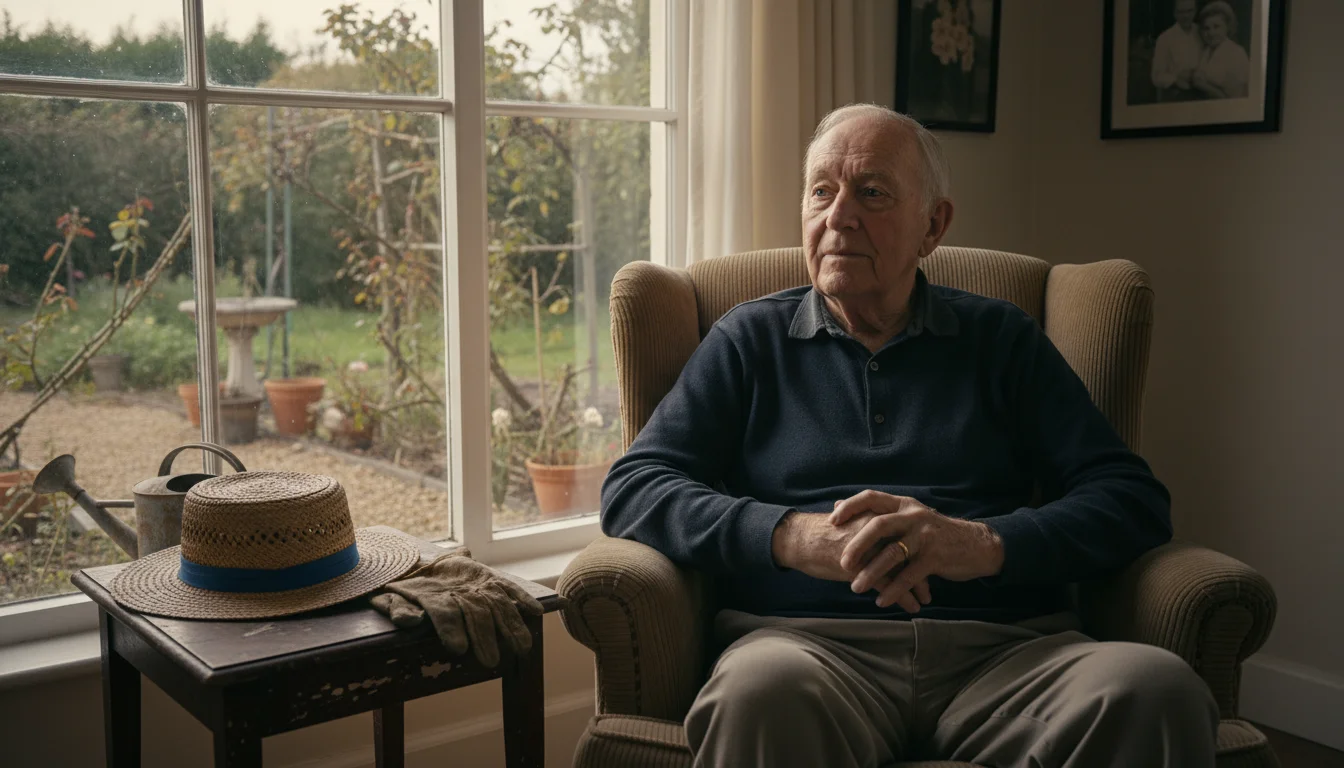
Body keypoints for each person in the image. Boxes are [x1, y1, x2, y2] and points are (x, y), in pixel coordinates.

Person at [600, 103, 1219, 767]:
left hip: (1009, 657)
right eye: (821, 192)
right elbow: (634, 488)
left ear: (934, 225)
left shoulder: (1003, 340)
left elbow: (1133, 500)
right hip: (807, 653)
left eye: (871, 192)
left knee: (1158, 689)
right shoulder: (747, 341)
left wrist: (981, 544)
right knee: (757, 692)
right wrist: (793, 537)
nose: (839, 217)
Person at [1193, 0, 1250, 99]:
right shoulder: (1206, 51)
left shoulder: (1236, 52)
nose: (1211, 33)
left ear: (1227, 27)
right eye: (1206, 28)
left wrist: (1204, 86)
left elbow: (1234, 97)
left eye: (1216, 26)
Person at [1150, 0, 1203, 101]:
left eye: (1189, 11)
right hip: (1177, 95)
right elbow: (1156, 77)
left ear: (1195, 11)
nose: (1186, 16)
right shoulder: (1164, 39)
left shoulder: (1202, 32)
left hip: (1202, 93)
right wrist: (1175, 79)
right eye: (1181, 12)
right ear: (1174, 13)